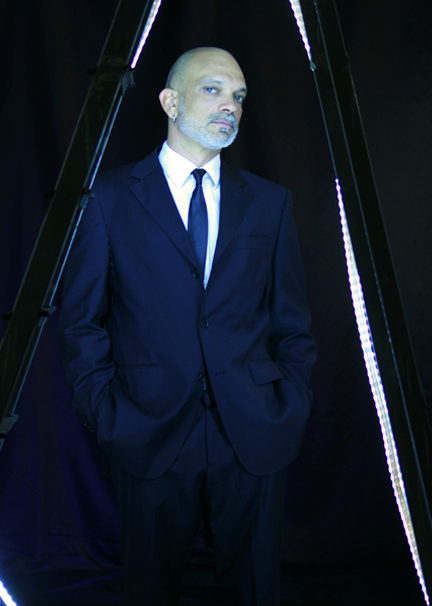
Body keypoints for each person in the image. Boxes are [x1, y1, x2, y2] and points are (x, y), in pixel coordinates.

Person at [58, 47, 317, 606]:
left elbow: (292, 322)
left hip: (253, 430)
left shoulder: (269, 204)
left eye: (239, 96)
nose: (231, 106)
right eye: (213, 90)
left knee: (255, 591)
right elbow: (80, 322)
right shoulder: (108, 199)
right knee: (150, 591)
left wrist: (290, 403)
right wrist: (106, 411)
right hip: (147, 429)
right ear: (170, 102)